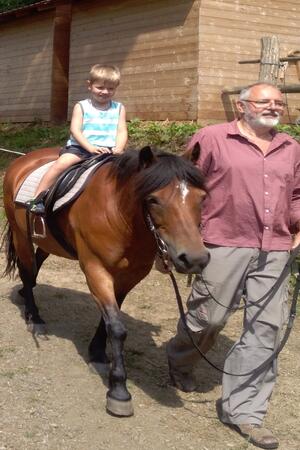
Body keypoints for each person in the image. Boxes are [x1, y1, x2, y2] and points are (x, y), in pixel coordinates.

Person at [166, 82, 300, 449]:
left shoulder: (291, 148)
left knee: (266, 329)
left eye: (279, 102)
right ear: (242, 107)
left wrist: (298, 222)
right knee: (209, 318)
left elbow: (298, 193)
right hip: (221, 240)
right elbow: (180, 189)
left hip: (274, 247)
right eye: (264, 101)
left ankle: (244, 411)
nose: (273, 106)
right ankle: (179, 359)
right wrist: (181, 238)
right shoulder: (211, 138)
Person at [29, 64, 128, 214]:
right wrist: (90, 148)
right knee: (61, 164)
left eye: (110, 89)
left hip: (109, 150)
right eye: (100, 87)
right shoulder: (81, 106)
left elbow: (121, 130)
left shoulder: (119, 108)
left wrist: (119, 148)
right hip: (81, 149)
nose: (105, 92)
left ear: (116, 87)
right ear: (90, 85)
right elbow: (75, 130)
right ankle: (37, 198)